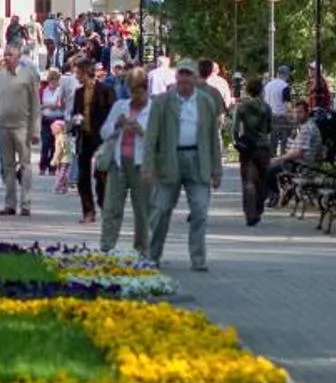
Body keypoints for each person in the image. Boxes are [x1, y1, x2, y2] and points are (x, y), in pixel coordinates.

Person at [143, 59, 224, 271]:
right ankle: (152, 256)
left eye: (189, 75)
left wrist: (217, 170)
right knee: (160, 211)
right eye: (181, 74)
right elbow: (151, 136)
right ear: (176, 77)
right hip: (169, 161)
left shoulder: (205, 102)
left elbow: (212, 138)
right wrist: (148, 166)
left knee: (200, 210)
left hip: (198, 161)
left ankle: (198, 259)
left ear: (196, 78)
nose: (184, 79)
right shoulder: (162, 102)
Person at [96, 73, 154, 255]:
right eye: (131, 91)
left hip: (142, 165)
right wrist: (116, 124)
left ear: (145, 90)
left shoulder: (153, 110)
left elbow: (159, 139)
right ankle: (107, 246)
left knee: (142, 209)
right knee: (112, 206)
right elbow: (104, 133)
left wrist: (141, 130)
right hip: (118, 162)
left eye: (138, 92)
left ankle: (143, 249)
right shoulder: (120, 107)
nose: (134, 96)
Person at [0, 46, 40, 216]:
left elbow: (35, 104)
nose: (6, 57)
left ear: (18, 57)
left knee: (25, 166)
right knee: (7, 167)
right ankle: (9, 204)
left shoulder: (28, 75)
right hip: (4, 127)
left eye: (10, 54)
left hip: (23, 128)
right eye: (5, 54)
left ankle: (26, 204)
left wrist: (36, 130)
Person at [71, 56, 118, 224]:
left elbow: (113, 114)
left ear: (86, 73)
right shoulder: (78, 92)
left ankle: (105, 206)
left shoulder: (105, 90)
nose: (76, 76)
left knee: (101, 174)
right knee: (82, 176)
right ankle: (88, 211)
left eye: (78, 73)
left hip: (101, 138)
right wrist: (76, 120)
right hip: (84, 137)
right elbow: (75, 112)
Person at [231, 76, 276, 226]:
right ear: (261, 90)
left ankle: (250, 212)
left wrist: (237, 141)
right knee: (262, 179)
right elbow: (270, 127)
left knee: (248, 180)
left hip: (248, 147)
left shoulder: (242, 107)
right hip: (263, 146)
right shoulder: (266, 107)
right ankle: (259, 208)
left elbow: (235, 128)